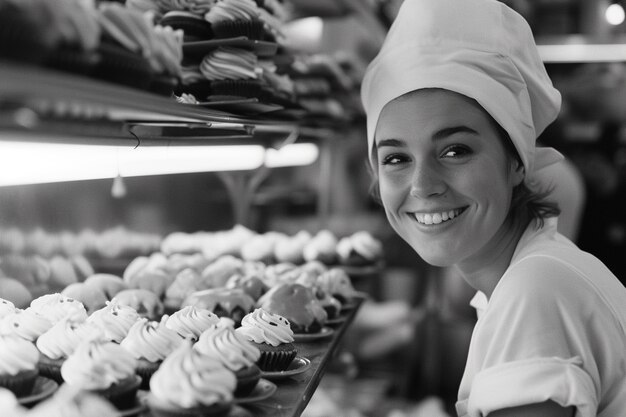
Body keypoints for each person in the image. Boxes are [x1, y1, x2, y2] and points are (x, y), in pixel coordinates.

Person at [360, 0, 626, 416]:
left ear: (517, 161)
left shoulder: (534, 293)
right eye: (396, 158)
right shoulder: (525, 277)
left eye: (455, 150)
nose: (423, 186)